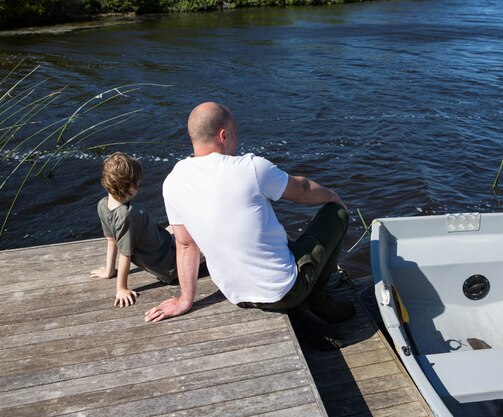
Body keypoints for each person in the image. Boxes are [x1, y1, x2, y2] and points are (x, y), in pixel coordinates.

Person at [144, 102, 354, 326]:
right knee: (336, 215)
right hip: (284, 291)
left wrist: (185, 300)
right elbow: (301, 190)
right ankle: (319, 301)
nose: (237, 140)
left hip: (236, 294)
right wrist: (333, 196)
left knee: (277, 235)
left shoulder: (173, 181)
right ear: (223, 136)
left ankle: (307, 298)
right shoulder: (250, 167)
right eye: (235, 133)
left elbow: (186, 245)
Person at [90, 152, 177, 307]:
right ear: (128, 186)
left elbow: (111, 240)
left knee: (181, 224)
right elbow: (125, 254)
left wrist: (109, 271)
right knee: (206, 233)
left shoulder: (103, 205)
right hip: (172, 264)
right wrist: (121, 288)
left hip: (166, 245)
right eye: (137, 182)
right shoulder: (127, 215)